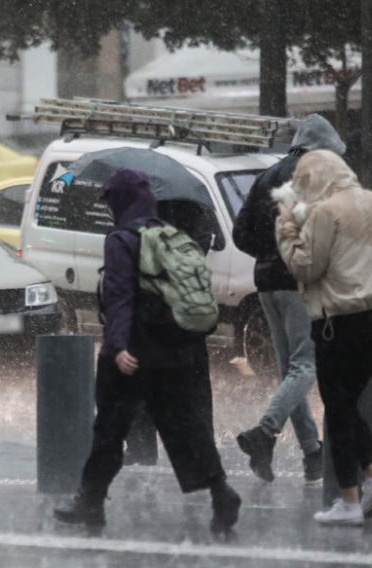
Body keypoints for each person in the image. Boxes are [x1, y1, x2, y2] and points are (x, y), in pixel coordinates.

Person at [54, 168, 240, 534]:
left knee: (108, 430)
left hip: (135, 354)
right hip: (176, 350)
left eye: (109, 202)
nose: (108, 210)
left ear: (119, 201)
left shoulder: (122, 239)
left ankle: (90, 503)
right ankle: (221, 492)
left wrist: (118, 347)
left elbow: (120, 298)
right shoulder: (169, 235)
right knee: (185, 427)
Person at [274, 150, 372, 526]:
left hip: (340, 322)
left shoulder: (328, 212)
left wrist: (287, 228)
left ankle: (350, 499)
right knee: (346, 404)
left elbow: (305, 266)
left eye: (303, 183)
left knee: (338, 407)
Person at [231, 114, 345, 484]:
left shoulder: (268, 174)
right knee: (306, 364)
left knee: (290, 369)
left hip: (266, 280)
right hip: (298, 280)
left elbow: (240, 232)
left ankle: (313, 453)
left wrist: (268, 254)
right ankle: (264, 434)